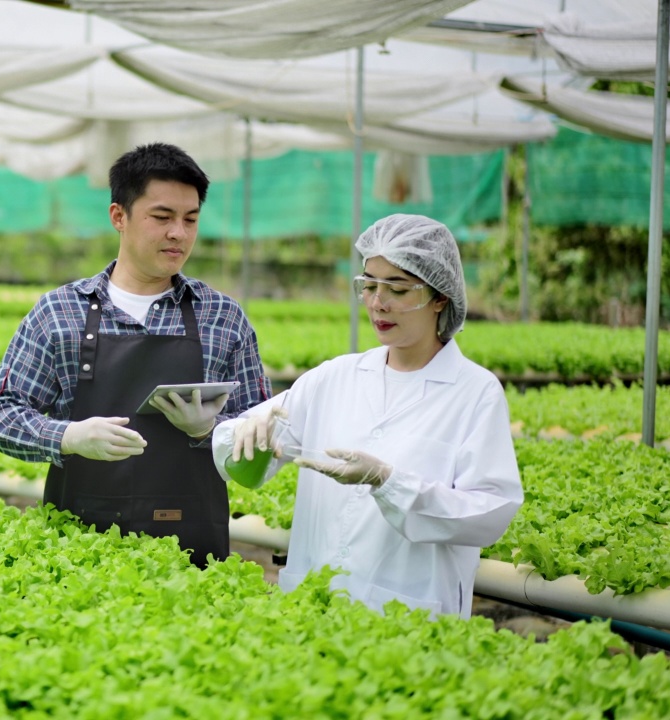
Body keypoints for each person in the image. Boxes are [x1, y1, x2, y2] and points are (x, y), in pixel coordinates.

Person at [0, 142, 270, 568]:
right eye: (162, 217)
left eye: (190, 220)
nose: (178, 233)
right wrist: (67, 437)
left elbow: (263, 433)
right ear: (119, 217)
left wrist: (212, 429)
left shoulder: (223, 318)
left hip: (190, 551)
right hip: (77, 547)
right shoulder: (60, 312)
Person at [213, 213, 522, 617]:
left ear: (440, 297)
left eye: (396, 288)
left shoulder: (474, 393)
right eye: (370, 285)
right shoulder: (334, 377)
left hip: (410, 618)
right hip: (312, 608)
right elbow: (239, 456)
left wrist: (389, 482)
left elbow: (489, 514)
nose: (378, 302)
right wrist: (245, 434)